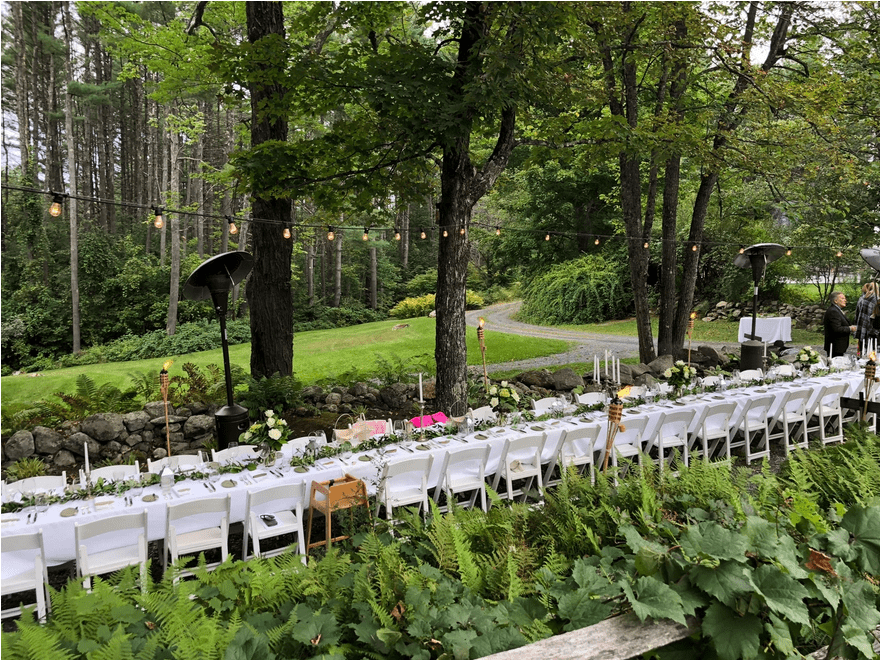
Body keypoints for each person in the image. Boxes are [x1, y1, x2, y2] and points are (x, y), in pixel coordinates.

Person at [823, 291, 856, 358]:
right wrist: (850, 328)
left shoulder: (837, 310)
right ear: (835, 301)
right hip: (835, 346)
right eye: (843, 298)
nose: (845, 300)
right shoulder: (833, 311)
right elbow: (836, 329)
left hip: (839, 346)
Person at [854, 282, 878, 356]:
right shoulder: (874, 299)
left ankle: (860, 356)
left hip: (863, 328)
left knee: (862, 349)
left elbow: (857, 314)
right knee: (872, 350)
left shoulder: (862, 298)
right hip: (871, 329)